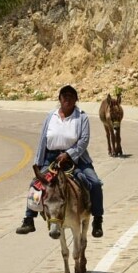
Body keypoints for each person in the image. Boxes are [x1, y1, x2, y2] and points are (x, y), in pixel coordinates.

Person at [15, 84, 104, 237]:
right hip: (51, 159)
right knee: (35, 185)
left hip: (76, 159)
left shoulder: (81, 117)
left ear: (76, 99)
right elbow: (43, 140)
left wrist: (68, 154)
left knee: (94, 182)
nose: (67, 99)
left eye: (71, 96)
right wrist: (38, 162)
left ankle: (97, 219)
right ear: (60, 99)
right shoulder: (51, 116)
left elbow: (83, 141)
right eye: (64, 96)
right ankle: (29, 219)